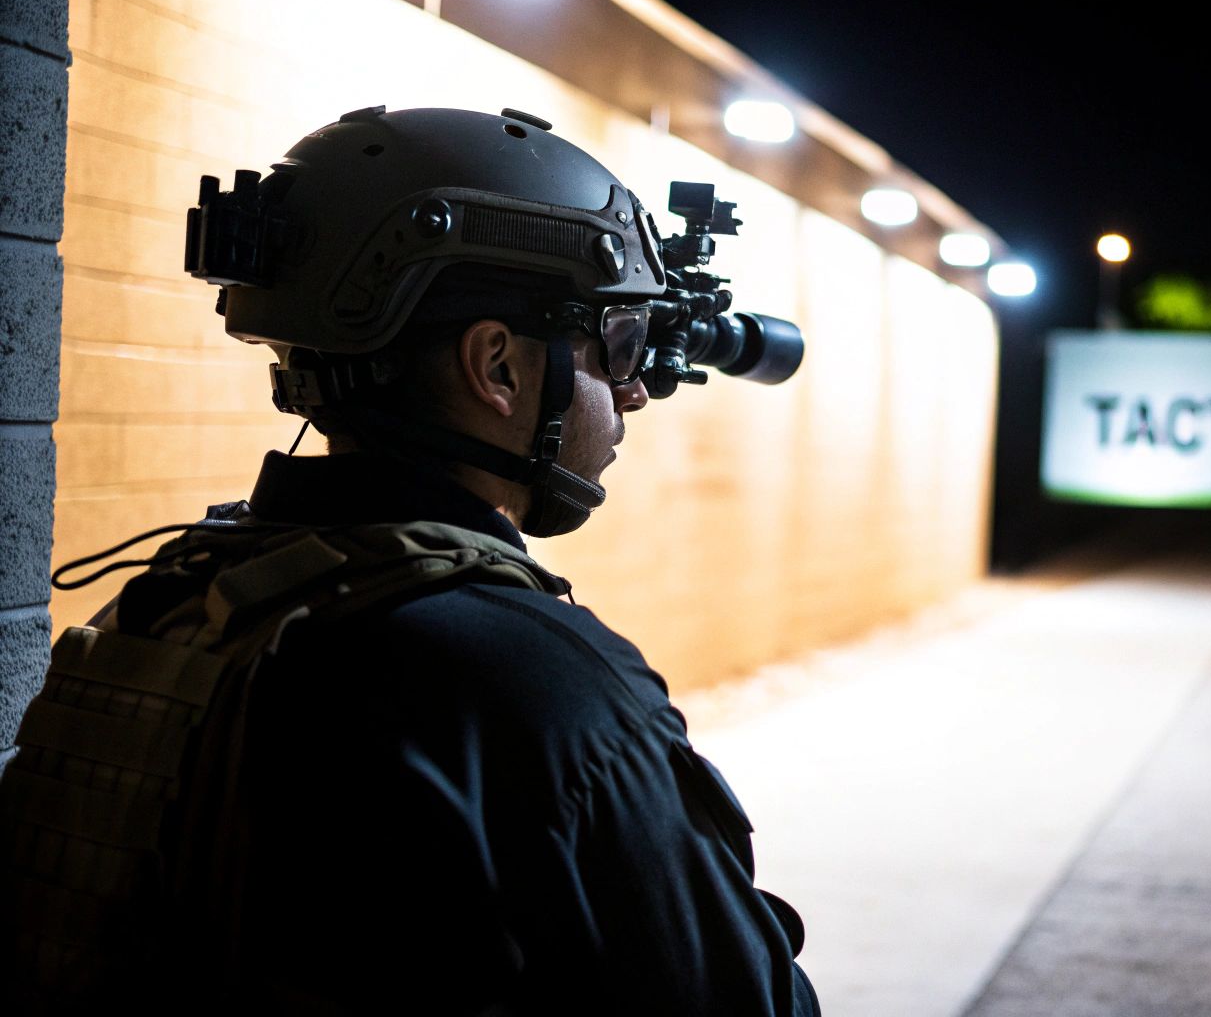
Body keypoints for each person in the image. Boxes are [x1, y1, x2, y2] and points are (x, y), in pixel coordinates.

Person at [1, 105, 816, 1014]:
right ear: (498, 367)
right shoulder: (529, 682)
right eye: (617, 346)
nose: (633, 393)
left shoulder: (172, 607)